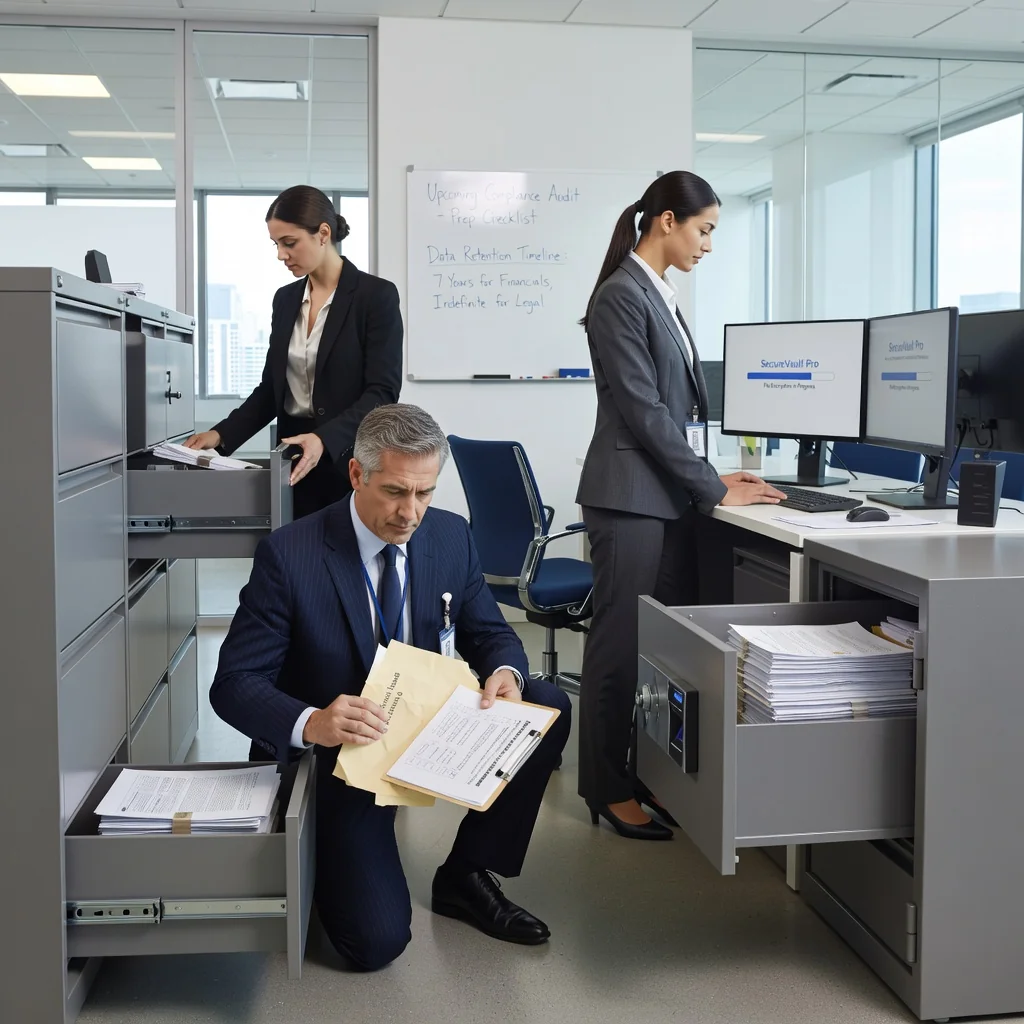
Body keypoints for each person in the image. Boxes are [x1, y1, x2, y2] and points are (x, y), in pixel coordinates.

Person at [210, 403, 571, 970]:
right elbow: (232, 684)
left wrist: (505, 674)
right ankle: (333, 856)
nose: (411, 513)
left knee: (546, 701)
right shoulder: (291, 554)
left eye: (425, 493)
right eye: (396, 492)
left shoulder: (450, 535)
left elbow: (490, 633)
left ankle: (467, 873)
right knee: (373, 945)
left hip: (427, 730)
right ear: (357, 474)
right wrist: (313, 722)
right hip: (343, 754)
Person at [576, 170, 785, 841]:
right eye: (705, 229)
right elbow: (642, 412)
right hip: (630, 500)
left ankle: (644, 775)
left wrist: (710, 475)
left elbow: (670, 411)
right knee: (619, 646)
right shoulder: (621, 297)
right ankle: (606, 789)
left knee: (657, 648)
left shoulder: (658, 296)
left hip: (663, 498)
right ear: (666, 221)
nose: (709, 244)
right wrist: (713, 486)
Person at [185, 185, 403, 519]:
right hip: (295, 463)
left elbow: (382, 394)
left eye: (289, 243)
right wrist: (220, 434)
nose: (281, 255)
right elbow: (273, 390)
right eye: (276, 245)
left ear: (323, 234)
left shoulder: (376, 297)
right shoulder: (285, 300)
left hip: (351, 464)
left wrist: (324, 439)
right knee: (296, 562)